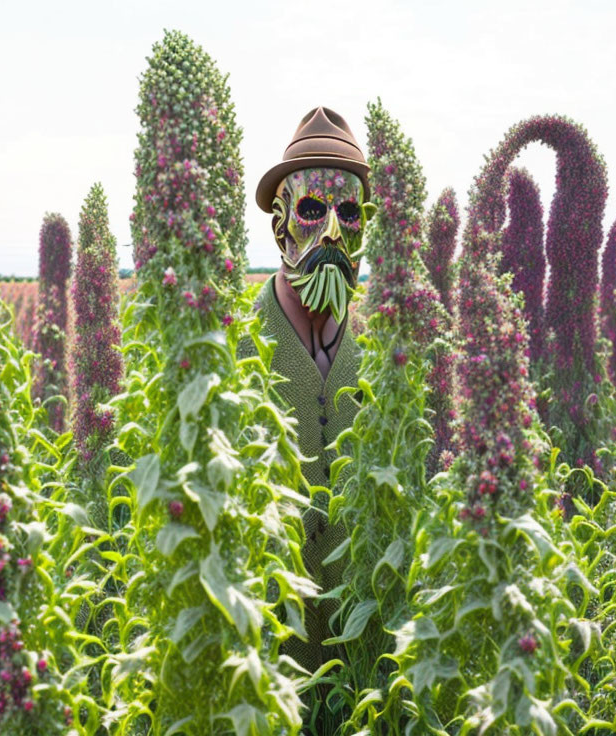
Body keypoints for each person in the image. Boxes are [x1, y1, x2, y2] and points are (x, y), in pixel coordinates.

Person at [250, 106, 377, 729]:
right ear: (280, 227)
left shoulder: (384, 352)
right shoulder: (235, 346)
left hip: (360, 673)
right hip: (267, 674)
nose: (330, 231)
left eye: (348, 213)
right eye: (311, 209)